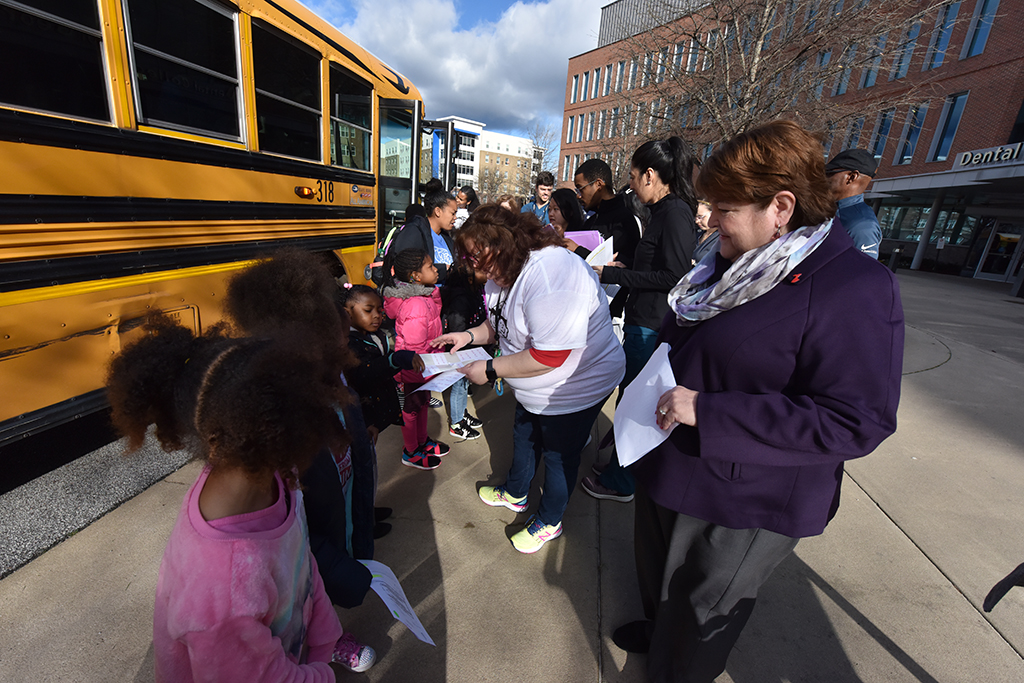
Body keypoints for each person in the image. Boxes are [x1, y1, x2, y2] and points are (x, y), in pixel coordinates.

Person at [612, 120, 904, 682]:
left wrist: (712, 411)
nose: (708, 219)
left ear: (782, 208)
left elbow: (856, 421)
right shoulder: (726, 259)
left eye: (723, 208)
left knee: (700, 614)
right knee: (661, 585)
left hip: (746, 496)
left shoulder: (855, 288)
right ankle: (658, 634)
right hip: (667, 459)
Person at [106, 316, 376, 679]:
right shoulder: (221, 595)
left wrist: (326, 638)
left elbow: (300, 564)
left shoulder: (279, 480)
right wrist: (323, 674)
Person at [431, 205, 625, 554]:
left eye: (478, 254)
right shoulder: (501, 272)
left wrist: (489, 370)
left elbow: (550, 356)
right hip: (535, 382)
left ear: (505, 243)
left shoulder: (552, 276)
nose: (473, 263)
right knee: (524, 434)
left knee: (558, 455)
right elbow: (499, 323)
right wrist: (468, 337)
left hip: (576, 384)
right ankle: (517, 493)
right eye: (469, 255)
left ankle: (550, 520)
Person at [583, 137, 698, 504]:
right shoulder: (664, 212)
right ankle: (619, 468)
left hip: (650, 325)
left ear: (650, 175)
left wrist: (615, 276)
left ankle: (622, 480)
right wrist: (625, 268)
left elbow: (673, 276)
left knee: (633, 404)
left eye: (633, 176)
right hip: (641, 320)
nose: (630, 184)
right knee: (628, 398)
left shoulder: (675, 212)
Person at [382, 248, 451, 469]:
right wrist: (430, 365)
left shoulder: (425, 295)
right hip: (416, 368)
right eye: (430, 266)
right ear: (415, 276)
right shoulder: (416, 304)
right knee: (411, 410)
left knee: (421, 405)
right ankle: (411, 451)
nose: (436, 269)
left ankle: (422, 442)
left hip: (425, 366)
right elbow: (414, 347)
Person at [338, 283, 423, 443]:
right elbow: (363, 374)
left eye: (379, 310)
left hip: (380, 411)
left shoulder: (377, 334)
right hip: (365, 415)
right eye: (368, 310)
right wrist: (394, 360)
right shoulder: (349, 344)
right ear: (347, 313)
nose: (377, 315)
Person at [570, 158, 644, 319]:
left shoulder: (624, 221)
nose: (578, 196)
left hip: (610, 314)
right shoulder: (591, 220)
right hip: (583, 308)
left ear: (598, 184)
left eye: (580, 189)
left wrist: (577, 250)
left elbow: (625, 267)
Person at [439, 264, 487, 440]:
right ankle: (457, 424)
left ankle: (462, 412)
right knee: (459, 386)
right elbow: (457, 326)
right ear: (469, 279)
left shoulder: (474, 292)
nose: (487, 272)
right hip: (461, 352)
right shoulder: (461, 299)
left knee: (464, 386)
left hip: (470, 351)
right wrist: (465, 352)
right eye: (482, 270)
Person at [389, 184, 458, 283]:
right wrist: (444, 269)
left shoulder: (447, 237)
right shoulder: (414, 232)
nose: (455, 217)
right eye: (453, 213)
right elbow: (406, 271)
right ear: (438, 211)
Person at [825, 148, 882, 259]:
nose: (823, 178)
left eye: (829, 173)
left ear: (852, 177)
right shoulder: (830, 209)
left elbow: (861, 273)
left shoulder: (862, 225)